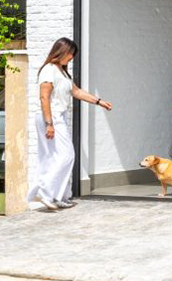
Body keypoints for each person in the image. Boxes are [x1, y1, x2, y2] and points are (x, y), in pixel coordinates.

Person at [29, 38, 111, 211]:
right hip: (50, 117)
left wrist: (99, 101)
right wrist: (49, 123)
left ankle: (60, 196)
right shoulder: (49, 70)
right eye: (70, 54)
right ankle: (46, 193)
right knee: (66, 155)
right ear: (61, 52)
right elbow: (44, 98)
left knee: (56, 157)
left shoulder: (62, 72)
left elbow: (76, 91)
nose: (72, 57)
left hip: (58, 116)